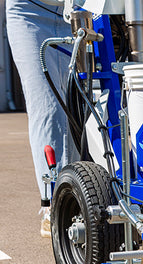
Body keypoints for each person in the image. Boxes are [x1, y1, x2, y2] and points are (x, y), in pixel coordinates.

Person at [6, 0, 79, 237]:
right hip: (30, 11)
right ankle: (56, 203)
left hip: (81, 10)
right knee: (48, 107)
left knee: (85, 107)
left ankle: (89, 195)